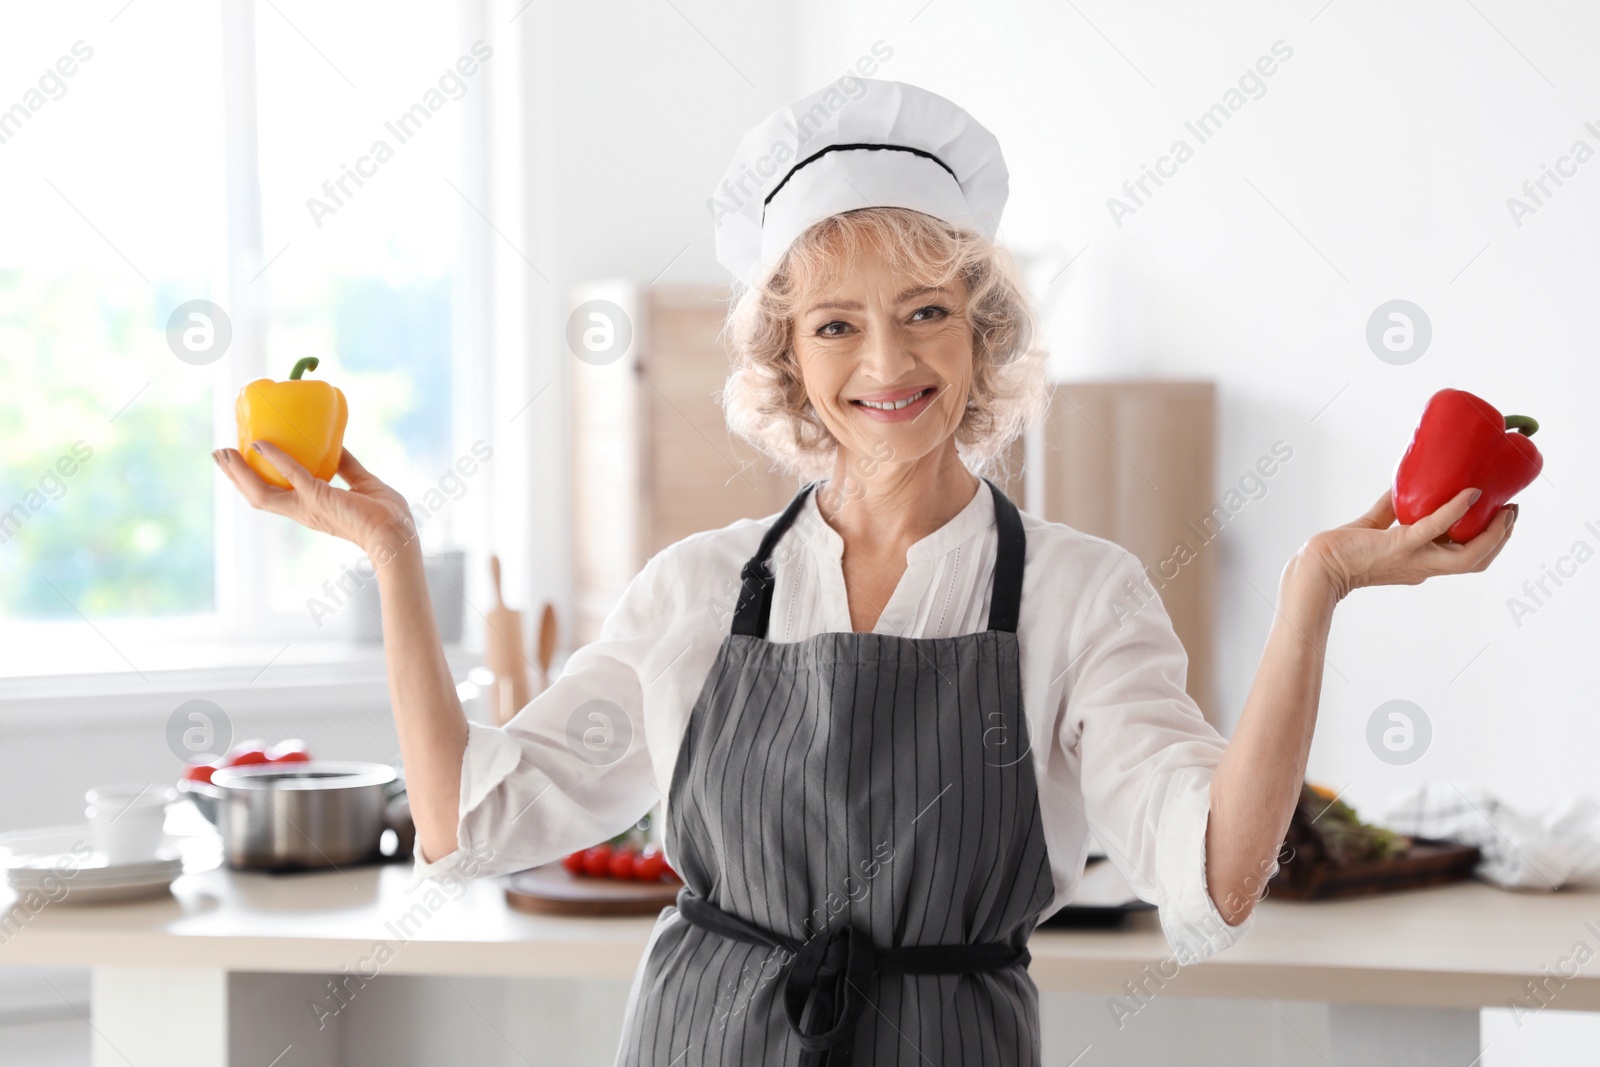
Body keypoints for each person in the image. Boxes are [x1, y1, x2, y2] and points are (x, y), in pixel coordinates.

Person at [212, 79, 1517, 1066]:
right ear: (790, 359)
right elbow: (467, 826)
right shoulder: (697, 590)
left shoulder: (1078, 592)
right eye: (837, 323)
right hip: (703, 1037)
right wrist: (392, 556)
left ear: (983, 333)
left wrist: (1312, 592)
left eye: (927, 311)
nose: (885, 362)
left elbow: (1219, 874)